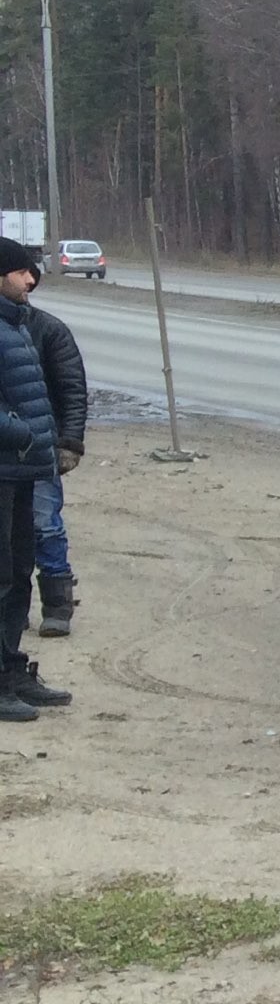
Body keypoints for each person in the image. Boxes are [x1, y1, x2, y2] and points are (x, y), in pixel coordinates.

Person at [0, 241, 69, 722]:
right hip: (5, 467)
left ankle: (10, 669)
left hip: (21, 471)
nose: (31, 282)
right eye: (23, 273)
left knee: (17, 573)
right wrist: (22, 433)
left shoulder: (17, 325)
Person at [25, 276, 86, 638]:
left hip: (40, 448)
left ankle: (58, 604)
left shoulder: (48, 330)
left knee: (44, 524)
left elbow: (72, 390)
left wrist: (70, 442)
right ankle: (12, 608)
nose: (29, 281)